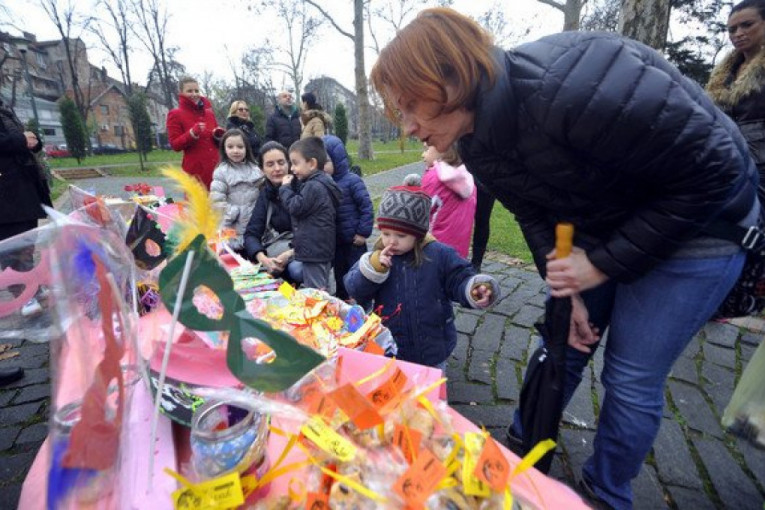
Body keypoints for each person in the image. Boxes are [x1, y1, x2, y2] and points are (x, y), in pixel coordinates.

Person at [370, 8, 759, 509]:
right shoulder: (476, 144)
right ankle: (522, 455)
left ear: (449, 76)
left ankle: (604, 492)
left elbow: (715, 171)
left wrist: (599, 265)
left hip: (703, 225)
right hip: (607, 222)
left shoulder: (573, 81)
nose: (409, 128)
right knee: (560, 340)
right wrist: (567, 290)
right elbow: (532, 212)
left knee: (629, 373)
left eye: (409, 107)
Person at [343, 185, 499, 370]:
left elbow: (459, 278)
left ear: (418, 234)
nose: (391, 241)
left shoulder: (439, 254)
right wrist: (374, 269)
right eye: (385, 233)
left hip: (433, 347)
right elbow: (355, 289)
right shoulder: (377, 258)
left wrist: (474, 289)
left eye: (401, 235)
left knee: (432, 385)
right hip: (390, 346)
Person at [0, 99, 53, 385]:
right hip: (6, 196)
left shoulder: (4, 109)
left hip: (20, 190)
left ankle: (33, 292)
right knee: (13, 249)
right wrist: (21, 139)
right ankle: (26, 297)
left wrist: (32, 141)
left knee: (26, 245)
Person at [707, 0, 765, 180]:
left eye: (747, 25)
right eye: (732, 30)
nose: (738, 34)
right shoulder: (721, 75)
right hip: (725, 164)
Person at [281, 137, 341, 291]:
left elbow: (295, 207)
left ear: (312, 163)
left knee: (315, 291)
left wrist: (285, 188)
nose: (292, 169)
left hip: (314, 250)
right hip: (321, 248)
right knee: (322, 286)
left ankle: (320, 306)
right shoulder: (324, 182)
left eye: (295, 163)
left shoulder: (313, 186)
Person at [323, 134, 374, 300]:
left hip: (354, 240)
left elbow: (366, 207)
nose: (323, 166)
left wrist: (363, 233)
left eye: (326, 161)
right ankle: (343, 297)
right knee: (339, 272)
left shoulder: (352, 181)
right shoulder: (323, 183)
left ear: (337, 160)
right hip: (336, 241)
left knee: (357, 271)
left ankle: (362, 299)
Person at [243, 141, 303, 284]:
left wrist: (290, 254)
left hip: (303, 253)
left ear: (289, 164)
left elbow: (316, 232)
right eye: (270, 164)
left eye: (281, 162)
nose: (277, 168)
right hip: (276, 257)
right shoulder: (265, 194)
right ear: (262, 170)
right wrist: (263, 258)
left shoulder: (303, 188)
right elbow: (251, 234)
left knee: (297, 269)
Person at [209, 129, 264, 253]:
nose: (235, 151)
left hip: (254, 223)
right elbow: (216, 202)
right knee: (236, 255)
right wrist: (235, 212)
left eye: (240, 147)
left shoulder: (255, 169)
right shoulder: (221, 172)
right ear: (224, 149)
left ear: (246, 148)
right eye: (230, 147)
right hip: (232, 226)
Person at [420, 143, 476, 258]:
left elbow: (419, 213)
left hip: (433, 248)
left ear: (442, 150)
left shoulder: (433, 178)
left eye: (427, 149)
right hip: (459, 250)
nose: (423, 155)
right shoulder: (467, 177)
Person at [166, 76, 223, 189]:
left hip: (216, 167)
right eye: (189, 91)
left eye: (196, 91)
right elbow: (175, 145)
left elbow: (215, 139)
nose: (194, 94)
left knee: (219, 198)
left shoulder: (209, 113)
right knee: (197, 200)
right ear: (181, 93)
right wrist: (191, 134)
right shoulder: (175, 114)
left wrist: (219, 135)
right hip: (195, 171)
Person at [470, 181, 495, 272]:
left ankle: (476, 263)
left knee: (482, 220)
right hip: (463, 176)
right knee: (459, 217)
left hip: (485, 182)